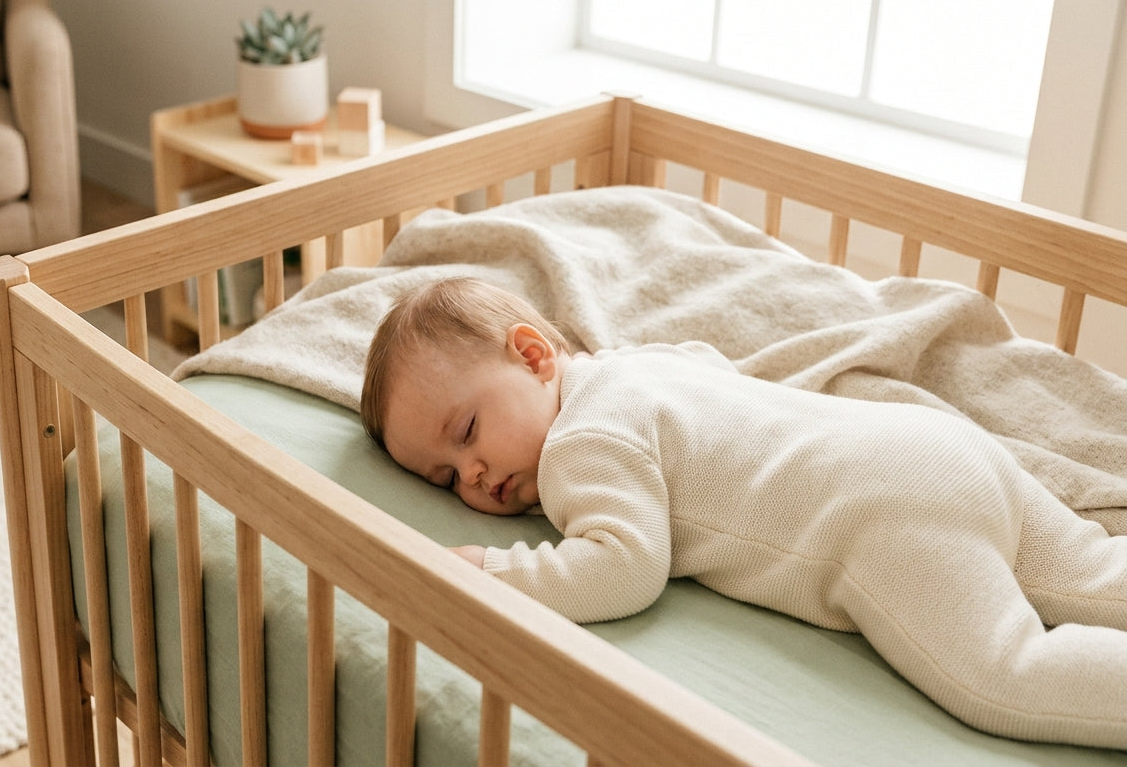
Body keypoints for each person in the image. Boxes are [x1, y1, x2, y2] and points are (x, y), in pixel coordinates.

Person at [359, 276, 1127, 750]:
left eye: (467, 435)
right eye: (444, 476)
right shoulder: (642, 366)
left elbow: (624, 568)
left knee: (1006, 673)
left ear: (533, 357)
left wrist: (494, 572)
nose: (476, 477)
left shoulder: (581, 445)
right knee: (1096, 571)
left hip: (877, 516)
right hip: (937, 447)